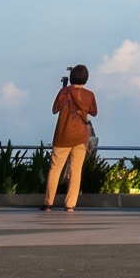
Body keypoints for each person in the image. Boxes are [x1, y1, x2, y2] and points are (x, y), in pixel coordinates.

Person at [44, 65, 97, 212]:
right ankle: (70, 205)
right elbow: (94, 112)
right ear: (86, 79)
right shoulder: (89, 95)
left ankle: (48, 202)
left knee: (55, 169)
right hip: (81, 136)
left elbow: (55, 109)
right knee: (75, 170)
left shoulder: (64, 92)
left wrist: (64, 87)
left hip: (62, 135)